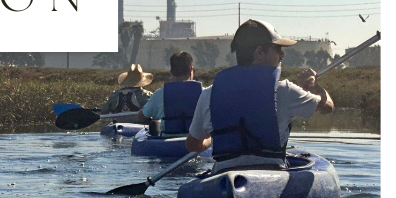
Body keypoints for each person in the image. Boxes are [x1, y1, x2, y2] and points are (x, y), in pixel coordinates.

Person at [185, 19, 333, 172]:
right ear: (260, 53)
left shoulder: (209, 94)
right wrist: (314, 86)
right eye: (277, 49)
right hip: (272, 175)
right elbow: (328, 107)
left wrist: (211, 138)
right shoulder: (285, 90)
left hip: (224, 174)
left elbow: (192, 145)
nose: (282, 54)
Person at [141, 51, 201, 137]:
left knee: (155, 124)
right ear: (191, 70)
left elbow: (142, 115)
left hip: (168, 144)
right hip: (196, 143)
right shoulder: (203, 93)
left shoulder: (160, 94)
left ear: (171, 72)